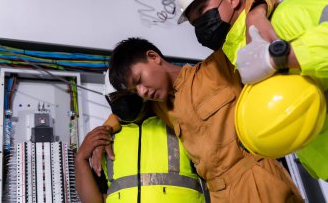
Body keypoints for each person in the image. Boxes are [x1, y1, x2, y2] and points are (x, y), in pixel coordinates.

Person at [175, 0, 328, 203]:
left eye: (202, 11)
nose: (201, 26)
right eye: (194, 22)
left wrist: (282, 55)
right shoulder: (241, 58)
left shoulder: (284, 16)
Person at [105, 37, 303, 203]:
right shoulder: (160, 106)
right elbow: (124, 115)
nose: (142, 92)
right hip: (218, 195)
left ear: (153, 57)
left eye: (139, 80)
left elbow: (248, 24)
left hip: (259, 181)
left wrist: (258, 12)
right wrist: (105, 130)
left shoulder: (216, 69)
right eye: (135, 91)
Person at [75, 71, 205, 203]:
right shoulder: (106, 142)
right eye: (115, 96)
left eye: (128, 93)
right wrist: (81, 158)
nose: (123, 101)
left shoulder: (176, 125)